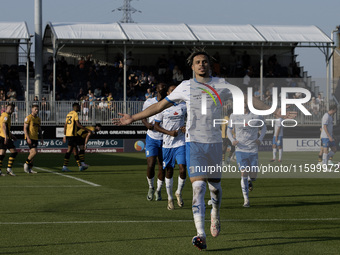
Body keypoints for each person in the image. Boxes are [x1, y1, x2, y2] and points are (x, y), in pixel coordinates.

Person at [115, 48, 290, 251]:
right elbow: (159, 106)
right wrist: (133, 118)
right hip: (194, 143)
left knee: (215, 187)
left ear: (210, 65)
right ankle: (201, 234)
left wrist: (274, 110)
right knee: (198, 187)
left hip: (215, 144)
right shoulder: (185, 86)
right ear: (192, 66)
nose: (201, 64)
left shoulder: (221, 84)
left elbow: (246, 98)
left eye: (205, 61)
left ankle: (215, 213)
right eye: (197, 62)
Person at [227, 101, 267, 208]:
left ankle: (250, 180)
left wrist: (260, 139)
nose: (243, 108)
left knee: (253, 177)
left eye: (245, 106)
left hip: (253, 149)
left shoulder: (257, 115)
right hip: (240, 149)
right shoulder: (234, 116)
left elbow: (264, 128)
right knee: (243, 173)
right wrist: (232, 140)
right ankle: (246, 199)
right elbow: (229, 130)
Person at [154, 85, 187, 210]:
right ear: (168, 93)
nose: (174, 92)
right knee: (169, 171)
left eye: (175, 90)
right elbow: (156, 126)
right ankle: (170, 198)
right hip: (167, 144)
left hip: (180, 142)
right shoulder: (163, 107)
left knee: (183, 169)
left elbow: (190, 120)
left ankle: (178, 192)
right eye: (171, 90)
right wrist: (169, 132)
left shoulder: (183, 106)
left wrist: (186, 127)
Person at [142, 83, 168, 201]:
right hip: (152, 137)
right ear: (156, 89)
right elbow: (143, 116)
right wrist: (147, 124)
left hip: (165, 138)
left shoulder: (170, 102)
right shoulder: (149, 102)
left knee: (162, 166)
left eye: (164, 87)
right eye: (160, 87)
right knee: (150, 164)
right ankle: (151, 187)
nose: (162, 88)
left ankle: (158, 190)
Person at [62, 103, 91, 172]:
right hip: (72, 135)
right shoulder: (75, 114)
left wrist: (64, 135)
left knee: (75, 150)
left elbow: (65, 125)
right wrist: (87, 130)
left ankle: (80, 166)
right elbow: (78, 125)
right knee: (69, 150)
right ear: (76, 107)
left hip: (70, 135)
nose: (79, 108)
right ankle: (64, 166)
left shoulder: (69, 114)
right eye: (78, 107)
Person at [24, 104, 43, 174]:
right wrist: (28, 138)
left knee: (32, 154)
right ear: (32, 110)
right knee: (34, 152)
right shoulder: (28, 118)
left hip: (35, 137)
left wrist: (41, 138)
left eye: (37, 109)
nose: (37, 111)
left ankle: (30, 169)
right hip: (30, 137)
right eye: (35, 109)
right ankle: (26, 164)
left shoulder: (38, 119)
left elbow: (39, 129)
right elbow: (25, 128)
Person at [0, 103, 18, 176]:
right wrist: (6, 137)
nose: (11, 110)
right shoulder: (6, 116)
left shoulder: (4, 115)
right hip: (4, 137)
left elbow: (5, 128)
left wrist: (11, 135)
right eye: (10, 108)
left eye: (12, 109)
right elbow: (3, 126)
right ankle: (9, 169)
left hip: (3, 136)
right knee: (14, 152)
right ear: (6, 108)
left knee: (2, 154)